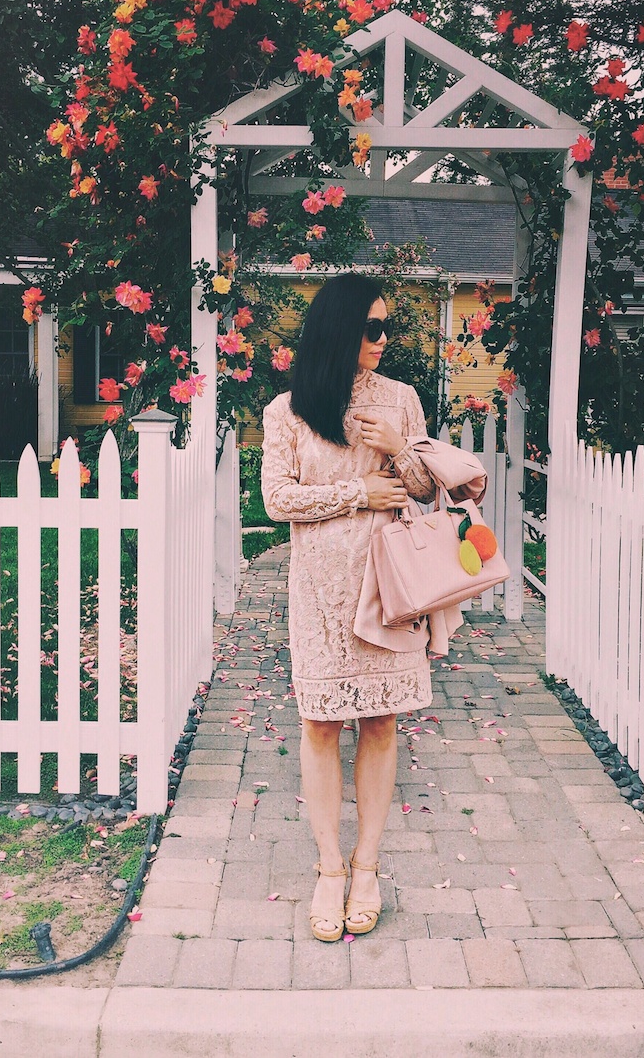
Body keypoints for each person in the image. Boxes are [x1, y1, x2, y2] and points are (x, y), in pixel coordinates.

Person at [261, 271, 436, 943]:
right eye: (372, 327)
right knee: (321, 725)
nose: (383, 338)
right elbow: (279, 500)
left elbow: (423, 491)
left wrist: (399, 450)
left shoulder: (402, 401)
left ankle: (367, 865)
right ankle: (329, 867)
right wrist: (358, 492)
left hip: (387, 588)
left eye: (387, 325)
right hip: (317, 593)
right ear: (339, 330)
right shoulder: (288, 410)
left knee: (382, 722)